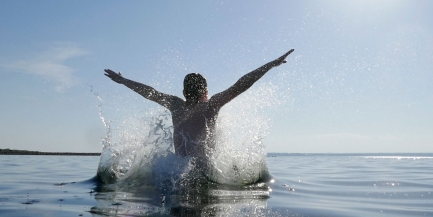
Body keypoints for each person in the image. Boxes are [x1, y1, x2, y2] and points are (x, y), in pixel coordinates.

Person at [104, 49, 294, 158]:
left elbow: (149, 92)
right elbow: (242, 83)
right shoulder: (212, 105)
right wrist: (270, 65)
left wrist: (124, 81)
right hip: (206, 170)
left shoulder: (175, 105)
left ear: (184, 93)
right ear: (206, 93)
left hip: (177, 170)